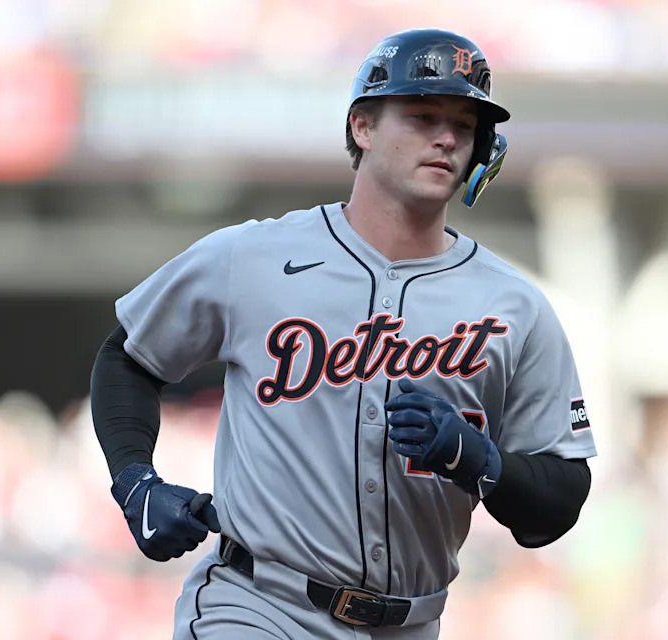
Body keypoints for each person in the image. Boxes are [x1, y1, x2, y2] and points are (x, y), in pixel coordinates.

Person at [91, 28, 597, 640]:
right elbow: (129, 356)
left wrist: (479, 460)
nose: (446, 138)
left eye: (464, 125)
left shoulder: (515, 305)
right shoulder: (255, 256)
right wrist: (136, 482)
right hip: (258, 604)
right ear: (363, 126)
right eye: (423, 116)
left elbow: (559, 500)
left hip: (412, 622)